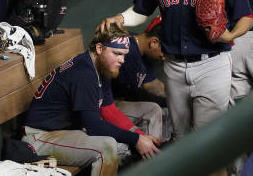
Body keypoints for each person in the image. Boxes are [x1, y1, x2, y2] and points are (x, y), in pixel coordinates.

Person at [100, 0, 253, 142]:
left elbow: (247, 17)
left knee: (208, 139)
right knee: (180, 137)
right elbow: (140, 11)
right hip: (174, 66)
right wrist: (120, 18)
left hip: (211, 64)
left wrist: (230, 34)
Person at [21, 24, 162, 176]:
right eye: (117, 53)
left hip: (67, 130)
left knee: (122, 143)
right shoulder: (84, 73)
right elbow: (94, 126)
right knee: (106, 147)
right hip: (40, 137)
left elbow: (108, 111)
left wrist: (139, 137)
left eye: (124, 55)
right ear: (100, 48)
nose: (122, 60)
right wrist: (136, 139)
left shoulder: (102, 67)